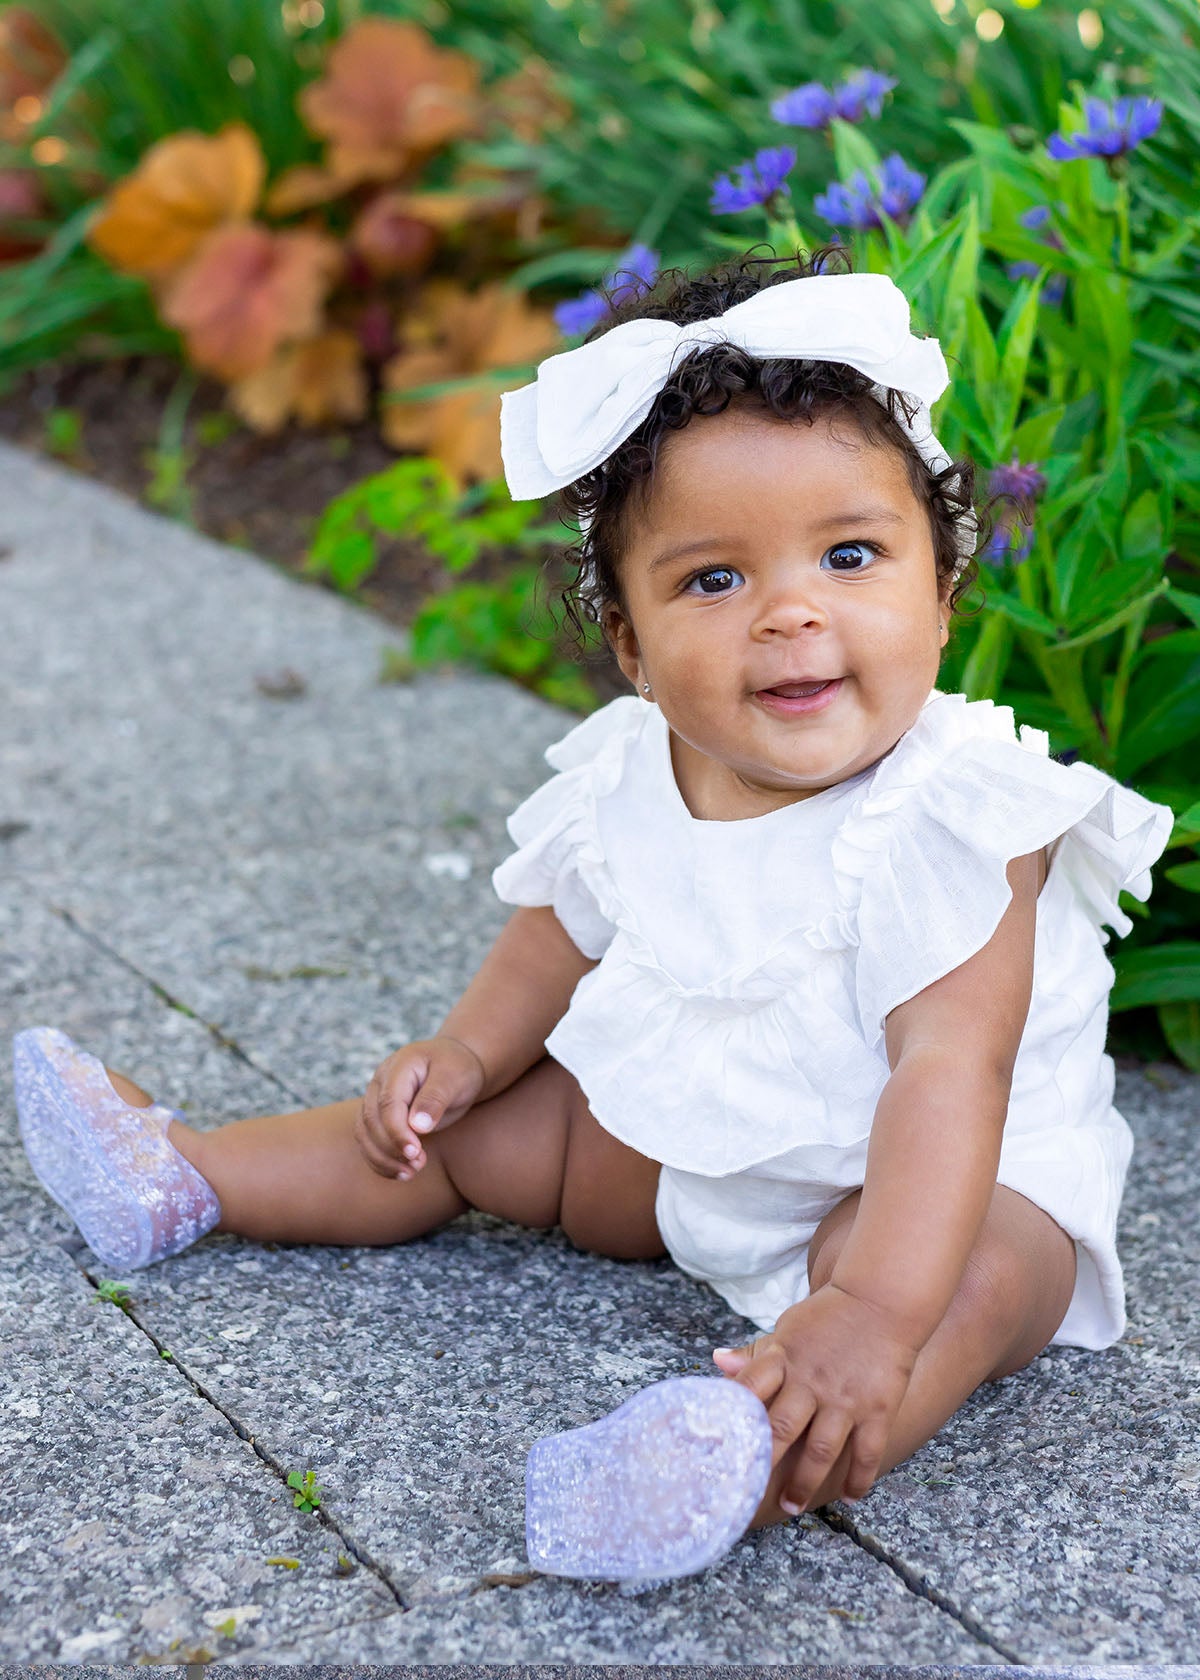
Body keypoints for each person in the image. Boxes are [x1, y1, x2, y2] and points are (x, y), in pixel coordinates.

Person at [13, 248, 1175, 1583]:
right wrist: (467, 1055)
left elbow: (946, 1072)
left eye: (851, 556)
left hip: (923, 1183)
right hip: (711, 1126)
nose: (792, 610)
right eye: (714, 582)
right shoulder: (631, 765)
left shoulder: (960, 811)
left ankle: (727, 1467)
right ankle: (186, 1174)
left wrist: (869, 1306)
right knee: (448, 1134)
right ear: (628, 644)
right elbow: (560, 929)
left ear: (942, 587)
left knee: (972, 1288)